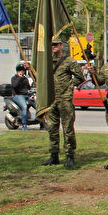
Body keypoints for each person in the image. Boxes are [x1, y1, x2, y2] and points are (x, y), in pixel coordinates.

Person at [44, 39, 85, 167]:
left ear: (61, 46)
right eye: (52, 45)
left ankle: (70, 156)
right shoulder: (47, 62)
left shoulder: (69, 61)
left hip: (65, 99)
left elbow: (80, 77)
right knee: (52, 128)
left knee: (67, 128)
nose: (54, 47)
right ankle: (54, 155)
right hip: (51, 100)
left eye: (56, 45)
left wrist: (69, 86)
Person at [11, 63, 31, 130]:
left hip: (26, 95)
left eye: (23, 70)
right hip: (18, 95)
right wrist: (19, 78)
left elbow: (29, 88)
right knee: (24, 107)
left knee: (38, 104)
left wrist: (31, 95)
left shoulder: (25, 79)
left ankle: (42, 124)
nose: (21, 71)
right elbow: (14, 86)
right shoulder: (14, 78)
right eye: (20, 70)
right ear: (17, 71)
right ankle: (24, 125)